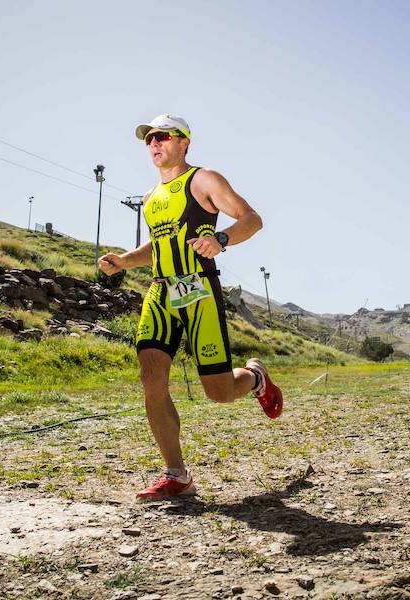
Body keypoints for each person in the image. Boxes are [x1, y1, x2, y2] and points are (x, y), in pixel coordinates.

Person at [99, 114, 283, 500]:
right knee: (151, 377)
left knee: (218, 392)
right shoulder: (150, 198)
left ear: (184, 141)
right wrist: (123, 261)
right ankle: (177, 474)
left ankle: (255, 376)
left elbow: (252, 219)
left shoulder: (204, 180)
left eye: (162, 136)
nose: (154, 143)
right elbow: (158, 247)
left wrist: (221, 238)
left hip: (199, 290)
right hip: (161, 292)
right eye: (149, 138)